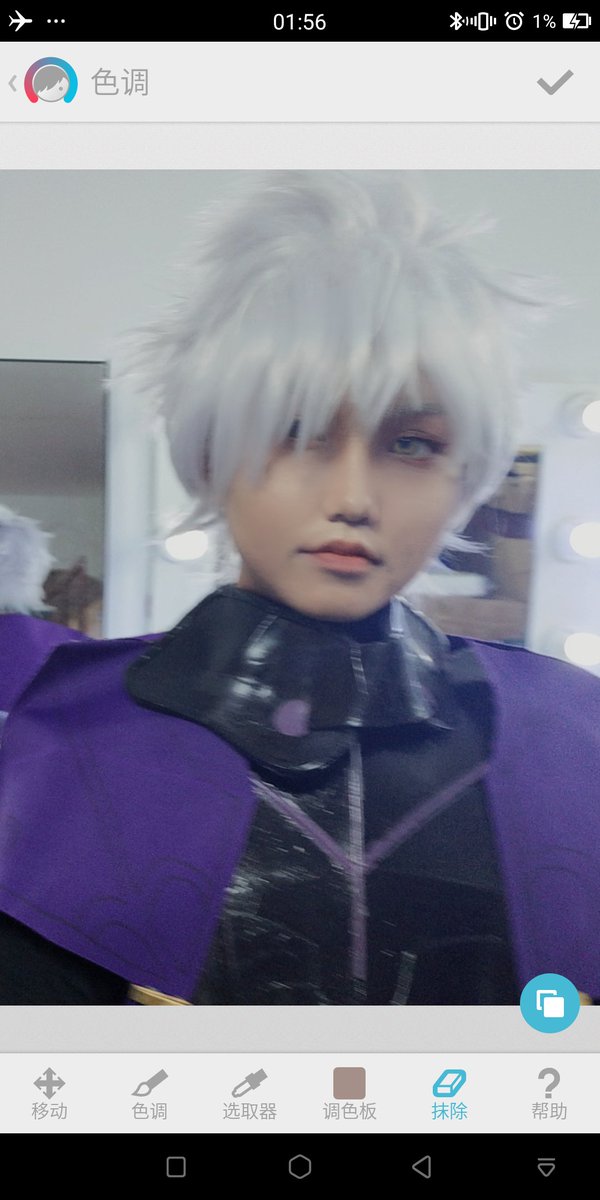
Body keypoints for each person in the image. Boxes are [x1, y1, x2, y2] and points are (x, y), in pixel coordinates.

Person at [0, 171, 599, 1005]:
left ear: (468, 473)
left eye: (413, 444)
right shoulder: (58, 752)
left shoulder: (573, 741)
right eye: (295, 431)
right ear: (211, 451)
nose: (352, 497)